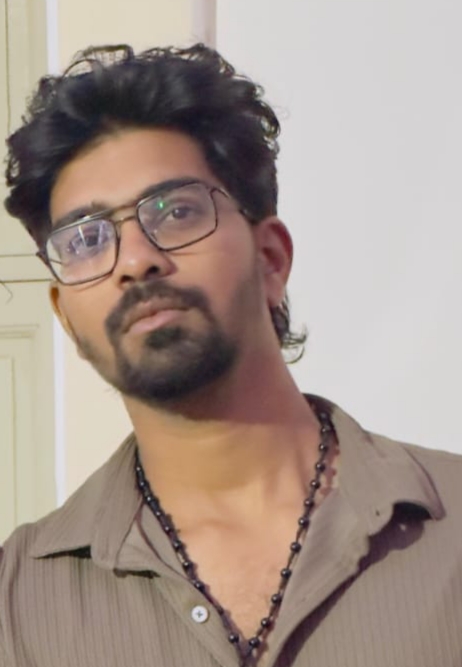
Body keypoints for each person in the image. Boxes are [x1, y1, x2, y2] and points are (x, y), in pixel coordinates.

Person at [1, 43, 461, 667]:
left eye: (176, 211)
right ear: (65, 317)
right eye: (86, 240)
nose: (135, 260)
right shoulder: (19, 606)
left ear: (270, 258)